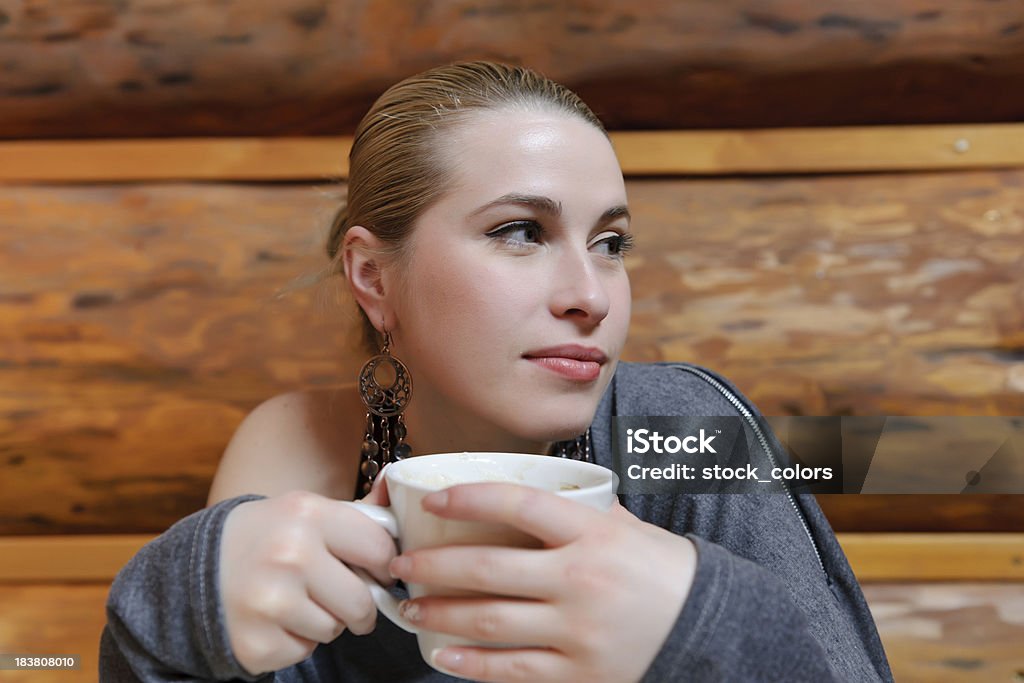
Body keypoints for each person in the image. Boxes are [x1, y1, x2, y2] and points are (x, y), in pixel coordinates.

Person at [100, 61, 894, 682]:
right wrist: (175, 607)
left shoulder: (679, 430)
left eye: (610, 243)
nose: (591, 296)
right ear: (373, 277)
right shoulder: (292, 448)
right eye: (520, 230)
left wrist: (703, 625)